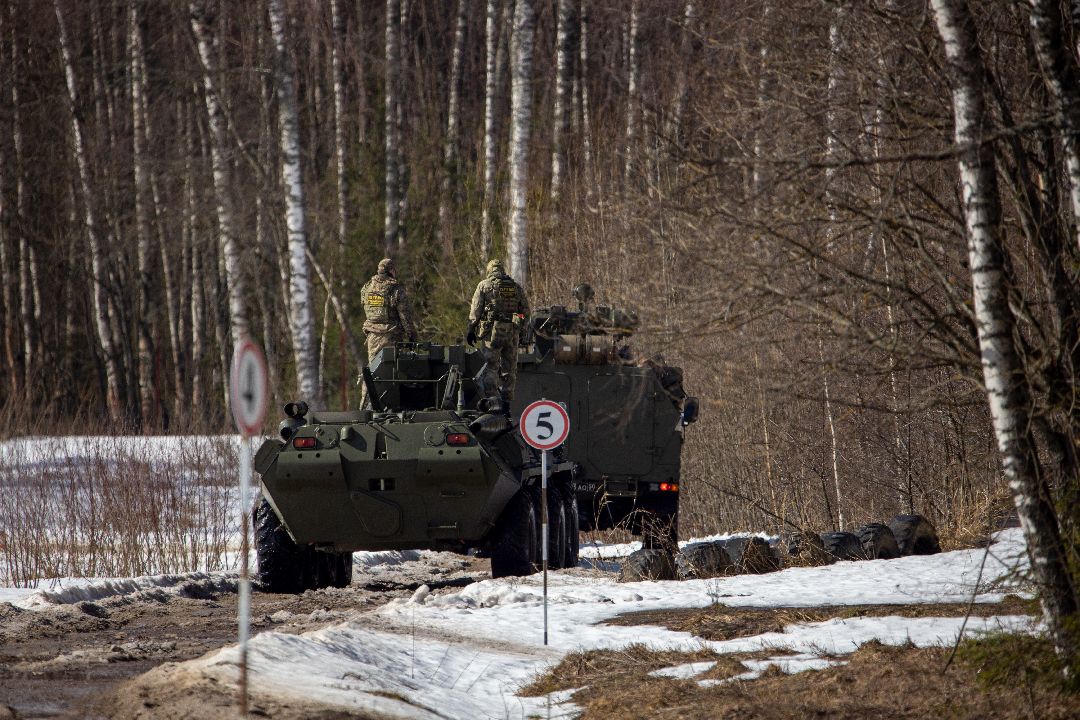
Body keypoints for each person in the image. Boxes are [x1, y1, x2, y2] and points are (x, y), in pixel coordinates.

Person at [467, 259, 529, 411]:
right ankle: (507, 403)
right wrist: (522, 331)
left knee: (491, 367)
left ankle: (493, 402)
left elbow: (476, 310)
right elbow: (526, 312)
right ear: (502, 270)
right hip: (512, 334)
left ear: (489, 270)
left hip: (491, 335)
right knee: (510, 368)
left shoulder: (484, 285)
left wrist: (471, 329)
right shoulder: (515, 287)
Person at [361, 257, 417, 364]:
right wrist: (412, 338)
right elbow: (405, 317)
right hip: (392, 337)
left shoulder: (366, 288)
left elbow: (367, 309)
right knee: (391, 373)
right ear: (391, 270)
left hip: (372, 337)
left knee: (375, 373)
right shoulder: (395, 289)